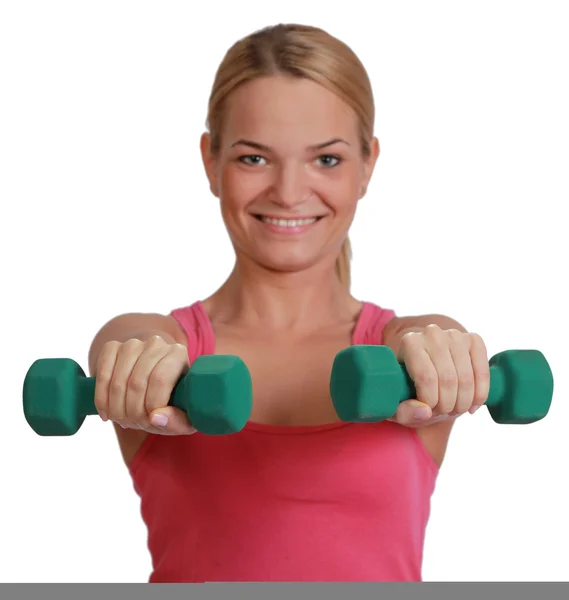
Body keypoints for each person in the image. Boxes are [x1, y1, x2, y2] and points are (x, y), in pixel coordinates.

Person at [87, 23, 490, 582]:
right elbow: (127, 340)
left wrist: (435, 346)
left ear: (368, 164)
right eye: (254, 159)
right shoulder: (166, 346)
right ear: (211, 161)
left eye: (326, 160)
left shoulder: (413, 358)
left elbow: (425, 338)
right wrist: (139, 359)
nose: (289, 191)